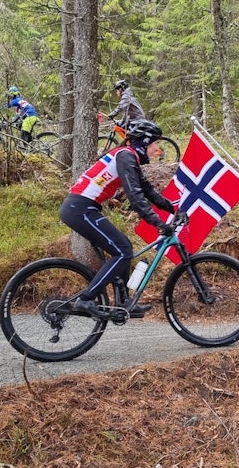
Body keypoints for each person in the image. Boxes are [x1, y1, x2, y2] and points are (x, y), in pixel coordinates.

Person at [60, 119, 180, 322]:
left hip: (83, 208)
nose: (157, 149)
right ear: (145, 142)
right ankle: (86, 299)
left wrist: (174, 209)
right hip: (79, 209)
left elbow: (148, 190)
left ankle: (123, 302)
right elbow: (135, 196)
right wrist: (158, 223)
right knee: (123, 251)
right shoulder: (125, 156)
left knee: (124, 247)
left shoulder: (128, 156)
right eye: (155, 144)